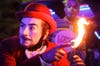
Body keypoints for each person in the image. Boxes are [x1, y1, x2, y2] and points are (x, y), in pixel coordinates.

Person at [0, 2, 70, 66]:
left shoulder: (57, 53)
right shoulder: (8, 45)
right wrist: (42, 59)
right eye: (22, 26)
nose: (24, 33)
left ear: (45, 33)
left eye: (32, 28)